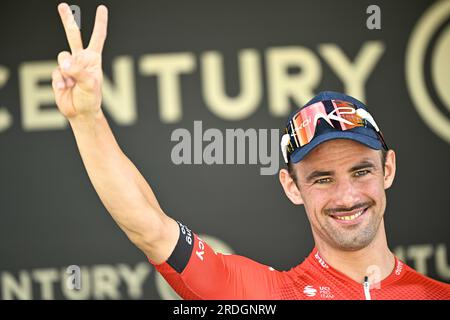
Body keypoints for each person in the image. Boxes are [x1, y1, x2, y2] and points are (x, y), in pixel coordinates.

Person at [52, 3, 450, 299]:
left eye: (361, 171)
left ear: (388, 169)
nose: (346, 196)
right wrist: (87, 118)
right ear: (291, 186)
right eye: (322, 178)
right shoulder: (261, 296)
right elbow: (151, 228)